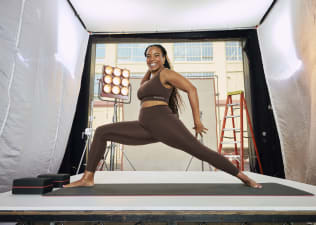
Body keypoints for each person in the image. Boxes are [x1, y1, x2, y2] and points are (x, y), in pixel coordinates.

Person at [64, 44, 262, 189]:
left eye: (157, 55)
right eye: (148, 56)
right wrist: (150, 67)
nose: (152, 58)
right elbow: (142, 88)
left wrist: (197, 121)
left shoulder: (166, 74)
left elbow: (191, 89)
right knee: (101, 131)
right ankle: (88, 177)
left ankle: (242, 176)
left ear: (165, 57)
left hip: (163, 122)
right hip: (145, 125)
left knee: (200, 151)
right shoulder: (149, 77)